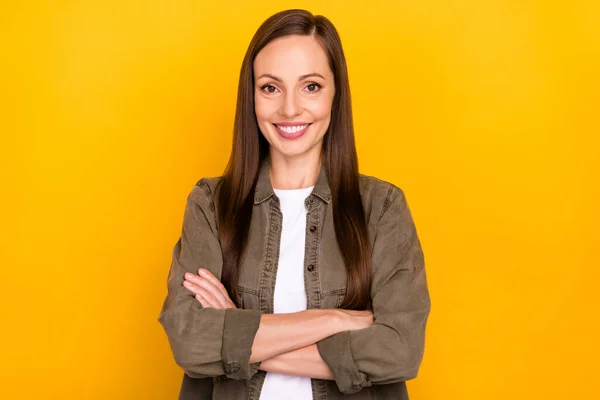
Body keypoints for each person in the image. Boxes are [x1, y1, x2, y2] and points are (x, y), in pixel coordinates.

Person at [158, 8, 431, 400]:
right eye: (270, 87)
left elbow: (400, 351)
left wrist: (234, 333)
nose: (289, 109)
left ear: (336, 94)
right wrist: (334, 320)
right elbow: (188, 342)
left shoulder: (382, 208)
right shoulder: (210, 205)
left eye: (311, 86)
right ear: (251, 95)